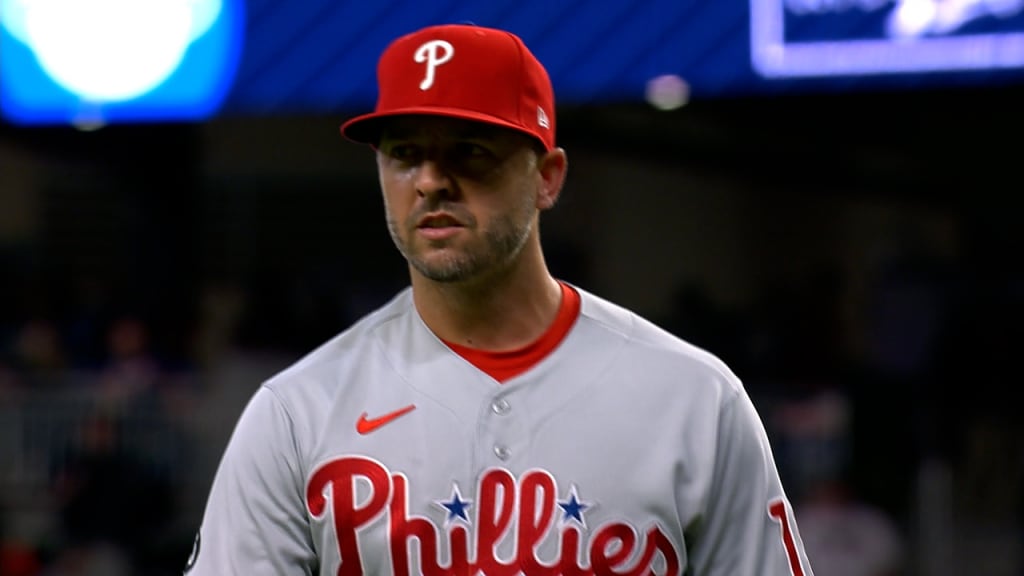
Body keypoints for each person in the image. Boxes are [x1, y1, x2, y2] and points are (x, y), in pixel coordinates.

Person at [186, 23, 815, 576]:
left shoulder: (696, 400)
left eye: (470, 151)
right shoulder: (296, 415)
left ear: (548, 177)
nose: (431, 180)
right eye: (405, 154)